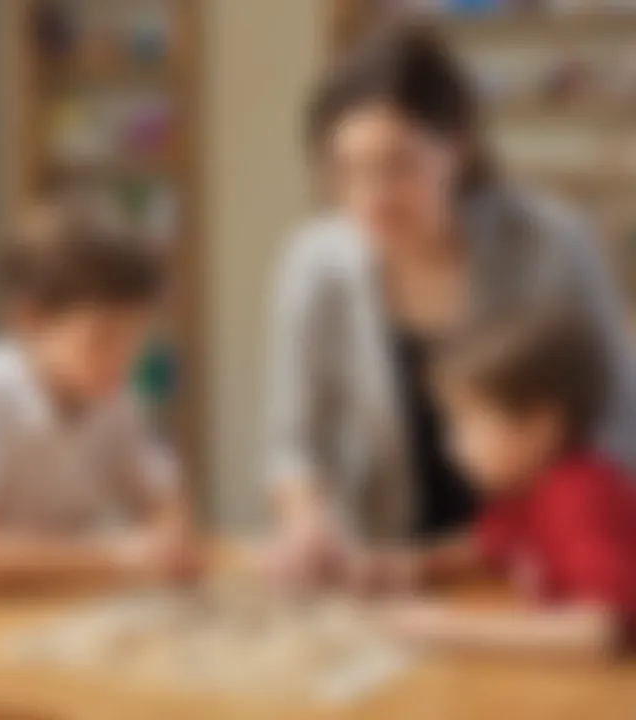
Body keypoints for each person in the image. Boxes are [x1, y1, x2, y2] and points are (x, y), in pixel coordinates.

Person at [264, 24, 636, 587]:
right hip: (390, 565)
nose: (373, 195)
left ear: (456, 146)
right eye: (348, 170)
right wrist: (308, 524)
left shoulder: (551, 242)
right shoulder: (315, 264)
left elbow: (616, 419)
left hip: (546, 568)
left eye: (399, 165)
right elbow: (295, 443)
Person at [0, 203, 199, 595]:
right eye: (101, 340)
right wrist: (118, 555)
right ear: (30, 319)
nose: (120, 362)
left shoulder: (114, 399)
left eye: (134, 344)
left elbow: (164, 501)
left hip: (58, 606)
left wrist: (171, 537)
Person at [375, 309, 636, 658]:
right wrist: (409, 568)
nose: (453, 445)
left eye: (468, 423)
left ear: (541, 425)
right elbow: (490, 545)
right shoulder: (526, 489)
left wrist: (441, 627)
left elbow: (601, 631)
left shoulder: (579, 495)